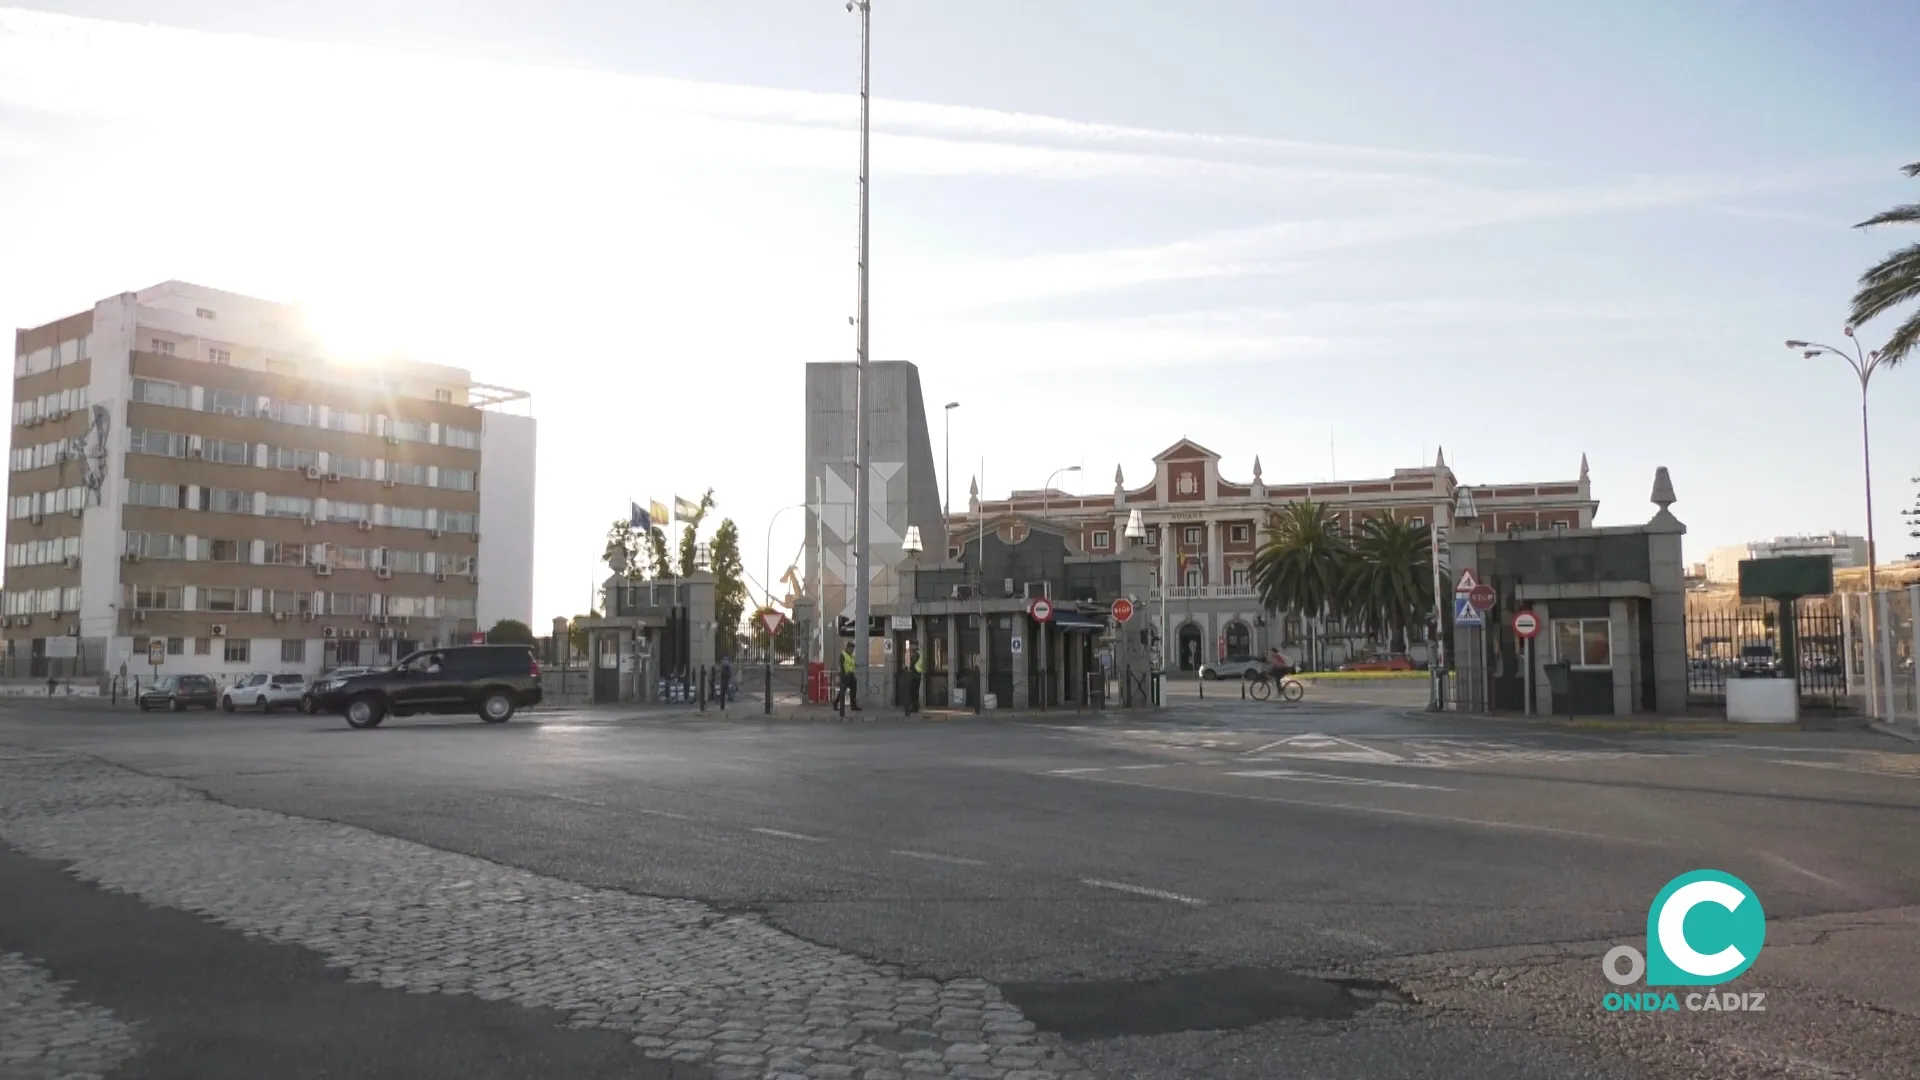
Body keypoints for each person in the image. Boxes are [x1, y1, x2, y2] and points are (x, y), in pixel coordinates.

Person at [833, 641, 860, 713]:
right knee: (842, 691)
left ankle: (853, 706)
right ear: (847, 648)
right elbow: (841, 665)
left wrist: (855, 666)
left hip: (851, 675)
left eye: (853, 649)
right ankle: (835, 703)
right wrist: (843, 674)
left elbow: (851, 664)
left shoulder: (851, 656)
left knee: (853, 691)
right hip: (845, 675)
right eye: (851, 648)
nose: (852, 650)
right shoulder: (843, 654)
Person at [905, 644, 924, 716]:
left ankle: (914, 708)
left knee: (913, 692)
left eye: (912, 647)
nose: (911, 648)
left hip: (914, 675)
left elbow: (911, 663)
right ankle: (915, 707)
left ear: (915, 647)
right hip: (917, 675)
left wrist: (907, 668)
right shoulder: (920, 653)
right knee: (915, 692)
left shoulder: (916, 654)